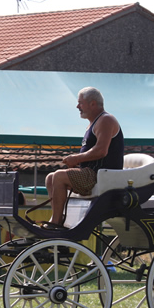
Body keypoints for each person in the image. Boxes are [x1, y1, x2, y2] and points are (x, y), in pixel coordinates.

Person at [43, 87, 123, 229]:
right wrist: (76, 161)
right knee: (50, 178)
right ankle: (58, 218)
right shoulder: (94, 123)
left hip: (100, 176)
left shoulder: (106, 120)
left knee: (59, 176)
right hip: (91, 173)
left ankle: (56, 223)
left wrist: (76, 159)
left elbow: (101, 151)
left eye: (80, 103)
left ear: (92, 103)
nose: (77, 106)